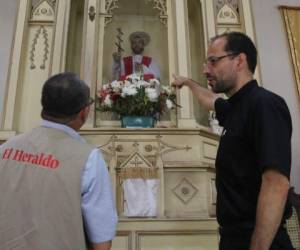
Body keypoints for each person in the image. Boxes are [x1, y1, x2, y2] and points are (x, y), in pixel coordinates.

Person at [172, 32, 294, 250]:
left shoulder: (264, 105)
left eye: (213, 61)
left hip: (258, 240)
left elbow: (276, 183)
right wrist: (188, 83)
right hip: (233, 239)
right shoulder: (235, 107)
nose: (205, 70)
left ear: (239, 60)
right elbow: (210, 100)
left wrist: (258, 246)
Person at [0, 72, 117, 250]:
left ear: (43, 106)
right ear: (84, 113)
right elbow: (101, 239)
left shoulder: (6, 149)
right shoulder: (88, 158)